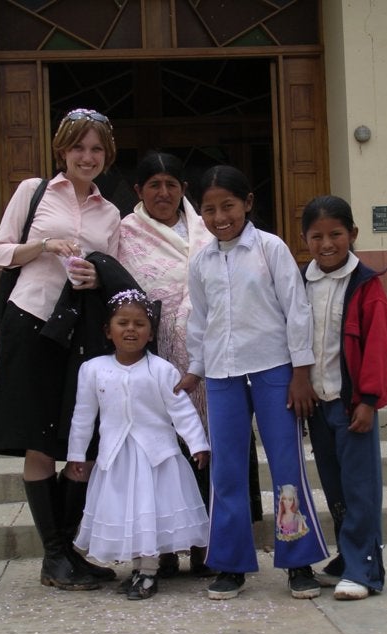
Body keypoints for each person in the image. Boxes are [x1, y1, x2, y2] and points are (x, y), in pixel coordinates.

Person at [0, 108, 136, 590]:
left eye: (96, 149)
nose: (87, 157)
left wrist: (95, 275)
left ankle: (68, 550)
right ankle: (54, 556)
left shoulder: (110, 212)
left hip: (78, 333)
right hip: (29, 322)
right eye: (79, 147)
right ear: (63, 149)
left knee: (80, 440)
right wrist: (44, 246)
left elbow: (110, 273)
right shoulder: (33, 192)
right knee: (39, 438)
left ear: (106, 156)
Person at [176, 165, 329, 601]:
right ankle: (230, 564)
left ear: (247, 203)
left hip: (274, 371)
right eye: (209, 209)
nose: (220, 216)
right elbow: (199, 320)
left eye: (228, 206)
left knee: (286, 465)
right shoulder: (202, 260)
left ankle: (298, 560)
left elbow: (296, 310)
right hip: (222, 376)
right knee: (226, 472)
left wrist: (300, 372)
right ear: (200, 212)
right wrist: (196, 368)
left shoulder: (270, 249)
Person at [118, 151, 263, 577]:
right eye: (154, 185)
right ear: (138, 192)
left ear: (184, 189)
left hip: (218, 360)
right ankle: (163, 547)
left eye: (172, 184)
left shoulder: (207, 226)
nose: (163, 192)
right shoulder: (125, 235)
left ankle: (212, 546)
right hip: (157, 366)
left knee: (214, 449)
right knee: (164, 455)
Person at [67, 289, 210, 600]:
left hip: (156, 457)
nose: (131, 329)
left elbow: (181, 410)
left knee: (148, 511)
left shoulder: (161, 369)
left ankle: (148, 573)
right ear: (108, 330)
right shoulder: (93, 369)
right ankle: (138, 568)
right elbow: (83, 415)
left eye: (139, 324)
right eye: (122, 323)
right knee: (130, 514)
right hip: (116, 457)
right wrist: (76, 453)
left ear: (150, 333)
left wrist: (197, 443)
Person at [301, 195, 387, 600]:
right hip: (318, 405)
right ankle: (348, 556)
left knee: (360, 487)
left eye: (336, 234)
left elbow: (378, 346)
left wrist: (368, 399)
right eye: (316, 236)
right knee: (335, 486)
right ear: (305, 239)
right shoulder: (300, 282)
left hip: (351, 405)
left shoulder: (367, 286)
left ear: (352, 234)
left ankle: (365, 570)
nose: (327, 244)